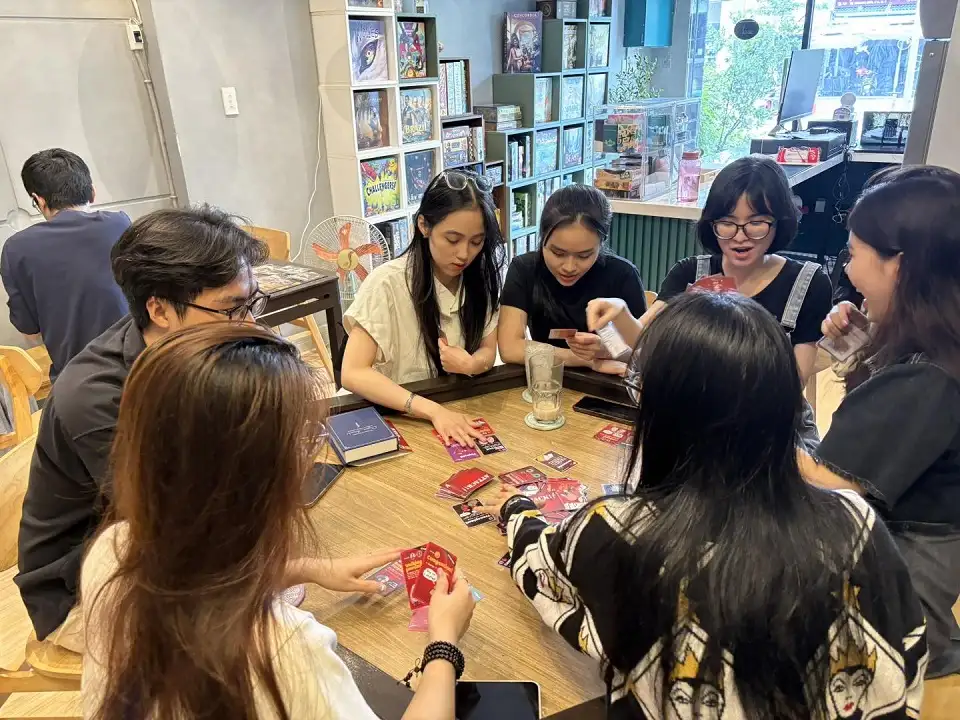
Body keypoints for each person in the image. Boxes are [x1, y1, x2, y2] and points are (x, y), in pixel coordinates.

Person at [481, 292, 927, 719]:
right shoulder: (857, 519)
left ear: (662, 413)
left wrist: (517, 508)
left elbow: (542, 573)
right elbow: (908, 658)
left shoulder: (618, 529)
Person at [82, 323, 475, 720]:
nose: (311, 453)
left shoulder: (112, 549)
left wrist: (303, 570)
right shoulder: (286, 649)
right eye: (304, 438)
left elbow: (195, 586)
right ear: (259, 477)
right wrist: (443, 645)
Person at [15, 205, 270, 653]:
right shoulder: (98, 396)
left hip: (157, 539)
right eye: (232, 309)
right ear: (160, 309)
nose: (249, 323)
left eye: (252, 302)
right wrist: (298, 567)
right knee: (257, 644)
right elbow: (173, 535)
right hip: (82, 587)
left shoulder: (187, 348)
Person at [802, 169, 960, 680]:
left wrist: (745, 419)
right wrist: (867, 341)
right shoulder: (935, 344)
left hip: (898, 612)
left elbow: (828, 487)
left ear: (900, 266)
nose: (848, 272)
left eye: (854, 254)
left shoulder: (928, 378)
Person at [588, 155, 832, 385]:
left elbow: (796, 382)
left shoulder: (808, 284)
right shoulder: (690, 273)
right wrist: (621, 314)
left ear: (780, 222)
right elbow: (643, 344)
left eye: (756, 223)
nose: (740, 236)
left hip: (764, 422)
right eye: (727, 223)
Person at [342, 170, 503, 448]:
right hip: (397, 415)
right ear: (424, 226)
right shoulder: (387, 283)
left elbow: (489, 349)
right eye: (452, 239)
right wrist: (432, 411)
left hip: (454, 406)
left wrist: (473, 363)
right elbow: (353, 372)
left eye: (476, 242)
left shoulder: (480, 278)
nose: (464, 254)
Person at [0, 149, 130, 378]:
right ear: (92, 192)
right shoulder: (120, 224)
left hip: (77, 383)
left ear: (37, 200)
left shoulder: (16, 248)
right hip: (144, 367)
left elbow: (30, 333)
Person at [498, 184, 646, 374]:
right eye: (557, 253)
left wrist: (607, 350)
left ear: (602, 243)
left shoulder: (623, 275)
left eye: (584, 256)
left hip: (608, 386)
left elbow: (643, 353)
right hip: (546, 381)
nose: (569, 267)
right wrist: (585, 359)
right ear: (542, 237)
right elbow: (510, 348)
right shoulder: (525, 269)